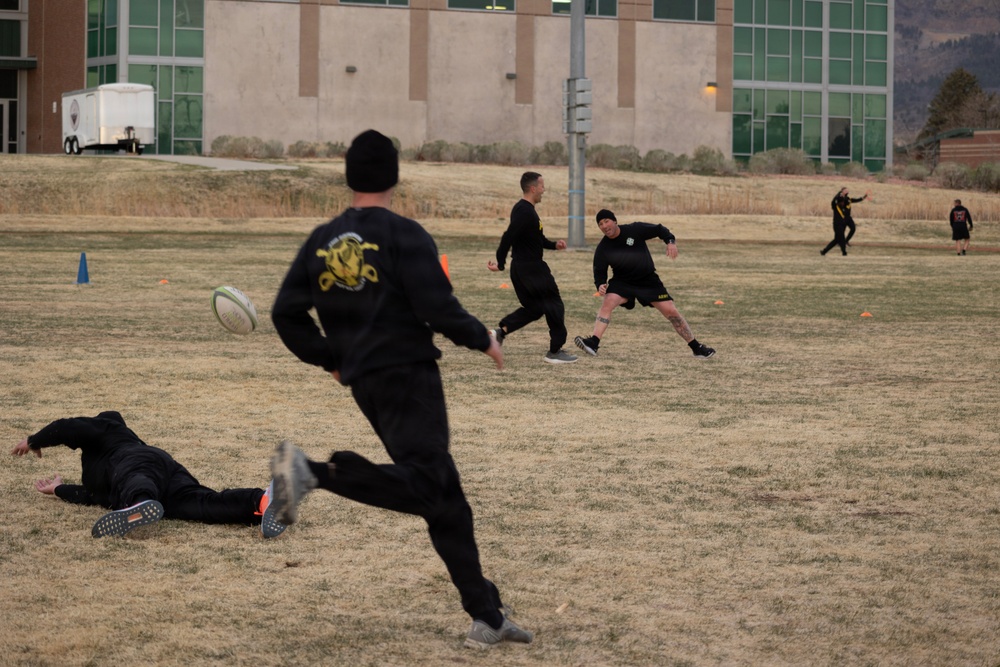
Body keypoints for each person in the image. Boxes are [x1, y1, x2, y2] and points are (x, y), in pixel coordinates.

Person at [269, 129, 533, 649]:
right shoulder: (404, 234)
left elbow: (285, 314)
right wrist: (482, 338)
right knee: (433, 487)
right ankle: (314, 472)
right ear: (393, 175)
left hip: (366, 383)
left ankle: (487, 614)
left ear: (350, 175)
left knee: (444, 498)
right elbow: (436, 306)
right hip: (409, 375)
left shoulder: (321, 239)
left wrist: (332, 359)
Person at [10, 411, 285, 539]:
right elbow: (90, 497)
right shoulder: (100, 478)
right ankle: (262, 501)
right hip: (165, 476)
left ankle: (141, 503)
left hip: (138, 464)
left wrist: (34, 440)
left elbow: (67, 426)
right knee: (202, 503)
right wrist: (58, 489)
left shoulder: (111, 433)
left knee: (137, 480)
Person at [573, 209, 716, 359]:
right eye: (600, 224)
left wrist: (670, 242)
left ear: (614, 221)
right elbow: (599, 269)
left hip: (648, 281)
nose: (604, 226)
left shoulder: (634, 230)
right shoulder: (603, 247)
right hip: (623, 282)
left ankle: (696, 347)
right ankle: (593, 343)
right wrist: (600, 284)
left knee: (671, 312)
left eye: (606, 221)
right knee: (607, 302)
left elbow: (659, 229)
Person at [486, 171, 578, 364]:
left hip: (521, 268)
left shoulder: (526, 211)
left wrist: (554, 245)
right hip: (531, 268)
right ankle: (555, 352)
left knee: (535, 308)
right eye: (542, 186)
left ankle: (501, 332)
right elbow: (508, 236)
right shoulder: (524, 211)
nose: (544, 190)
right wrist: (500, 263)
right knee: (554, 303)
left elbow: (537, 239)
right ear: (533, 188)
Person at [822, 187, 867, 256]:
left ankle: (825, 251)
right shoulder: (835, 204)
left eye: (847, 190)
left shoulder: (846, 199)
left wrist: (862, 198)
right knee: (840, 239)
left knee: (838, 239)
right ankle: (843, 252)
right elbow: (834, 201)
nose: (842, 203)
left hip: (843, 221)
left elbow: (852, 200)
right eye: (845, 190)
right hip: (838, 223)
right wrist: (840, 194)